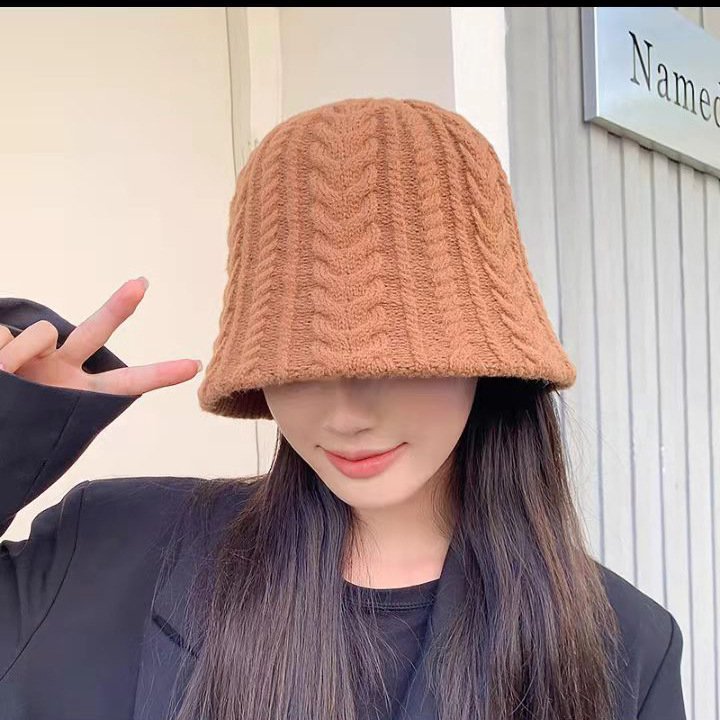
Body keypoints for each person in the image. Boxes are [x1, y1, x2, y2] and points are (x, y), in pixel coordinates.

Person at [0, 97, 685, 720]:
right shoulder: (112, 549)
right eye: (298, 367)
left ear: (488, 360)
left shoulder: (626, 646)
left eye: (400, 361)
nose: (346, 415)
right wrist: (14, 425)